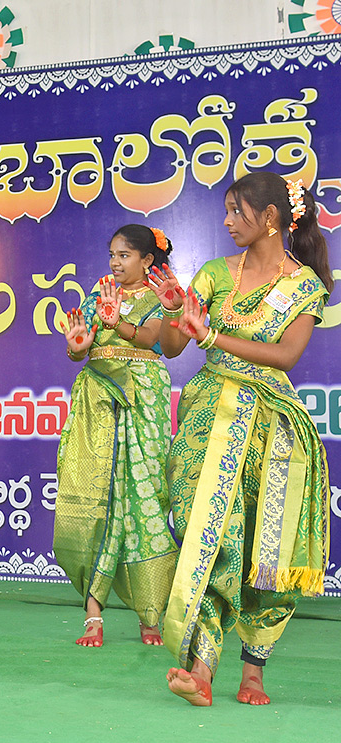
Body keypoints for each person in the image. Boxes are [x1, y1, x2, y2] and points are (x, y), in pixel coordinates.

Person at [148, 172, 332, 706]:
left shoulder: (304, 286)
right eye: (226, 211)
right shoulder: (212, 274)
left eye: (237, 211)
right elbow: (173, 346)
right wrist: (170, 311)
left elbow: (286, 357)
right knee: (202, 527)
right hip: (209, 414)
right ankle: (202, 667)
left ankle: (249, 671)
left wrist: (211, 335)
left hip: (272, 428)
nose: (227, 222)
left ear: (269, 217)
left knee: (265, 549)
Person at [54, 225, 178, 648]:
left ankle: (150, 613)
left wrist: (118, 323)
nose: (115, 262)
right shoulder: (100, 289)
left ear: (147, 260)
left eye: (124, 255)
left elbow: (152, 339)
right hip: (98, 398)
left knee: (143, 501)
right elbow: (81, 343)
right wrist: (76, 346)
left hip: (143, 397)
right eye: (112, 254)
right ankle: (93, 614)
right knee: (97, 495)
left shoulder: (158, 294)